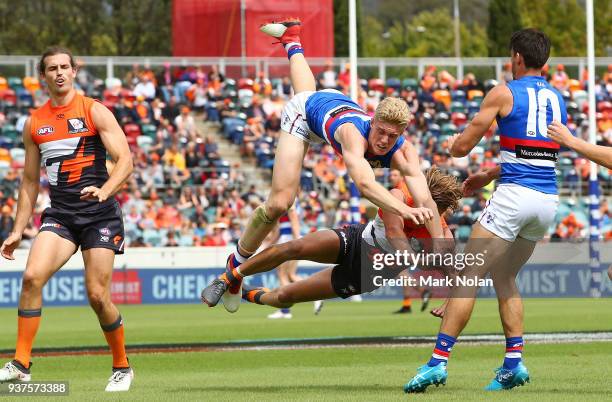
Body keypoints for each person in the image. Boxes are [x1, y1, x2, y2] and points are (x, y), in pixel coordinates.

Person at [204, 18, 441, 313]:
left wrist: (443, 248)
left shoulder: (405, 152)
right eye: (380, 131)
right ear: (373, 121)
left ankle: (292, 40)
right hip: (305, 117)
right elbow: (366, 185)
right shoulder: (354, 135)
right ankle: (235, 266)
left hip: (328, 102)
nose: (383, 140)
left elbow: (426, 201)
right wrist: (406, 210)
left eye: (392, 136)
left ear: (402, 134)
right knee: (279, 204)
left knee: (307, 92)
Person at [404, 29, 567, 393]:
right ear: (547, 62)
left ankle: (437, 363)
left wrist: (453, 144)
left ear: (517, 58)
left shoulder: (503, 92)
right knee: (505, 277)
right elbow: (536, 154)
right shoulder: (558, 98)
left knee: (466, 277)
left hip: (513, 198)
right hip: (546, 201)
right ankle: (513, 364)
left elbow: (462, 146)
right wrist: (490, 174)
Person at [0, 47, 134, 392]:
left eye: (64, 67)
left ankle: (122, 366)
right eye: (52, 69)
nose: (59, 73)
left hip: (99, 216)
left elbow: (125, 161)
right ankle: (21, 364)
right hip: (61, 215)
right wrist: (17, 230)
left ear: (74, 72)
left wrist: (104, 190)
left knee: (96, 295)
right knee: (31, 277)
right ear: (42, 76)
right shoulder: (35, 122)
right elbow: (29, 181)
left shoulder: (94, 110)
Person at [201, 168, 460, 312]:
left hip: (365, 275)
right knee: (294, 247)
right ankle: (227, 279)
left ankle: (246, 295)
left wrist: (450, 301)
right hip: (358, 241)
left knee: (286, 295)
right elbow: (394, 233)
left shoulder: (442, 232)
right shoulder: (399, 195)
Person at [387, 169, 432, 314]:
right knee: (401, 271)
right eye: (391, 174)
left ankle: (422, 290)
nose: (391, 177)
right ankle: (407, 304)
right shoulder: (402, 190)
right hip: (406, 236)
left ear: (401, 176)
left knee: (399, 271)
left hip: (403, 237)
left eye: (394, 174)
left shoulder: (401, 191)